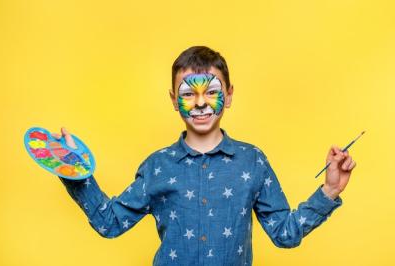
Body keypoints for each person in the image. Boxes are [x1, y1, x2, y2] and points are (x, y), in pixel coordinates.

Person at [53, 46, 356, 265]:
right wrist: (73, 171)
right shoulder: (157, 166)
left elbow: (284, 234)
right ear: (174, 100)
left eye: (211, 91)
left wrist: (329, 191)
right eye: (187, 93)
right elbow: (110, 223)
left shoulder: (253, 161)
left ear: (230, 94)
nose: (200, 103)